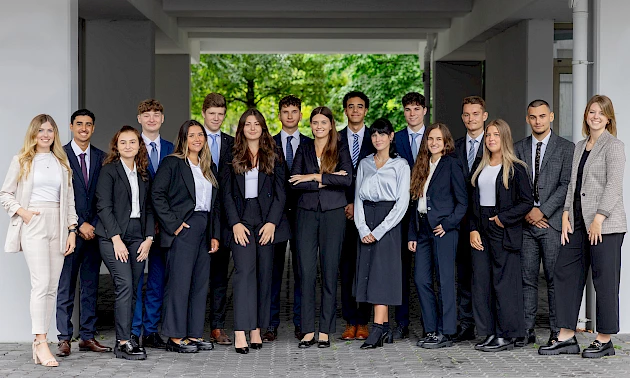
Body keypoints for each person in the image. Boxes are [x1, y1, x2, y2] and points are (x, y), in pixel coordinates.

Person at [539, 95, 626, 358]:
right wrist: (566, 212)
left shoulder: (614, 146)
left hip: (606, 225)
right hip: (577, 223)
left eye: (600, 112)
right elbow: (573, 184)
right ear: (586, 116)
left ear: (608, 117)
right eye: (591, 112)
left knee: (605, 281)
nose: (595, 116)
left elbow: (613, 185)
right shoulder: (579, 146)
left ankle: (605, 339)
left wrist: (599, 217)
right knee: (564, 273)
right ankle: (566, 336)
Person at [0, 114, 78, 368]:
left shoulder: (61, 161)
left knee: (52, 287)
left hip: (58, 223)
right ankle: (41, 341)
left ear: (55, 134)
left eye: (50, 130)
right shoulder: (22, 160)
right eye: (41, 130)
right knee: (41, 284)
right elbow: (5, 193)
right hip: (34, 221)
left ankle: (41, 341)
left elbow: (69, 199)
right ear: (33, 133)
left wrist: (72, 230)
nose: (45, 135)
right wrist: (22, 212)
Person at [222, 109, 290, 354]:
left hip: (266, 220)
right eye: (247, 124)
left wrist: (272, 222)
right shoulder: (231, 155)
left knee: (264, 275)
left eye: (256, 123)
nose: (252, 127)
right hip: (241, 219)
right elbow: (226, 193)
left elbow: (282, 192)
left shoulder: (274, 154)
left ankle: (256, 330)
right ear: (241, 128)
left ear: (263, 127)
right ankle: (241, 330)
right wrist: (235, 223)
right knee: (244, 273)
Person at [152, 120, 220, 353]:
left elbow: (215, 204)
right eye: (192, 135)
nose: (197, 139)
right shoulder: (172, 163)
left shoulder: (208, 166)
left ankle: (193, 334)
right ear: (183, 139)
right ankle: (174, 336)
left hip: (204, 227)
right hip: (183, 228)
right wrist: (173, 224)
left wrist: (214, 234)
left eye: (200, 135)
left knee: (200, 284)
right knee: (179, 284)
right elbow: (157, 194)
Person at [290, 106, 352, 348]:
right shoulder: (304, 147)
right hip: (306, 214)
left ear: (331, 125)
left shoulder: (341, 146)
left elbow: (347, 179)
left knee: (329, 271)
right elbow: (295, 181)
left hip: (333, 214)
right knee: (305, 272)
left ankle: (325, 330)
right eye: (315, 122)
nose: (318, 126)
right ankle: (307, 330)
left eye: (323, 122)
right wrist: (329, 178)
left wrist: (314, 177)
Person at [513, 100, 574, 347]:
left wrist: (543, 211)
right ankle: (526, 329)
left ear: (551, 117)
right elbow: (514, 184)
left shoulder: (566, 148)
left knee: (553, 279)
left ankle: (556, 331)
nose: (537, 121)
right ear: (527, 119)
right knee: (526, 279)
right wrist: (530, 211)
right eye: (533, 117)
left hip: (551, 225)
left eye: (542, 116)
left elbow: (566, 184)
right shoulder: (518, 148)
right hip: (526, 225)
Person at [469, 119, 533, 352]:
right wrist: (473, 228)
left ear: (504, 137)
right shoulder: (480, 165)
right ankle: (489, 332)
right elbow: (472, 203)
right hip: (481, 228)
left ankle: (506, 335)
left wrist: (502, 219)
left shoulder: (516, 168)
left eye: (496, 134)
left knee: (504, 284)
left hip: (502, 229)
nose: (491, 139)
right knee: (483, 283)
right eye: (488, 135)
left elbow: (526, 202)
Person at [95, 125, 154, 360]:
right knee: (125, 285)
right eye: (123, 142)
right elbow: (103, 206)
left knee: (134, 287)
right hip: (113, 236)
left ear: (139, 145)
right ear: (116, 146)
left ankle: (129, 337)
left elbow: (149, 207)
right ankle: (122, 342)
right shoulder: (109, 170)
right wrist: (116, 238)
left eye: (132, 142)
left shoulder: (143, 172)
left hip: (138, 235)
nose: (128, 146)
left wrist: (149, 238)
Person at [408, 123, 467, 349]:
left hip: (444, 230)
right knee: (421, 280)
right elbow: (415, 202)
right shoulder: (421, 164)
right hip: (422, 229)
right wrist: (412, 233)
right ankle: (431, 330)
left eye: (438, 140)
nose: (433, 143)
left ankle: (447, 332)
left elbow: (462, 202)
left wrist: (449, 223)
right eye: (430, 139)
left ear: (446, 143)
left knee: (444, 281)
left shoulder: (451, 164)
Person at [56, 109, 109, 357]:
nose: (84, 128)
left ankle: (87, 336)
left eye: (88, 124)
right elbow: (60, 197)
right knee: (66, 285)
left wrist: (94, 224)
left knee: (90, 285)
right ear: (71, 127)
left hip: (94, 233)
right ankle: (64, 338)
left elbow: (104, 196)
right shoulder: (60, 156)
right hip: (70, 232)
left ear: (93, 128)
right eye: (79, 124)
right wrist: (78, 225)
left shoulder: (102, 158)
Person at [353, 118, 410, 349]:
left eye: (382, 134)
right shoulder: (365, 163)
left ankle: (376, 330)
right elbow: (357, 196)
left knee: (382, 276)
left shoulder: (401, 165)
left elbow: (402, 202)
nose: (378, 139)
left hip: (389, 223)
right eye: (374, 135)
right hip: (367, 219)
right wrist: (363, 228)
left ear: (391, 136)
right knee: (368, 274)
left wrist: (379, 231)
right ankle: (384, 329)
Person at [268, 95, 311, 342]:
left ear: (300, 115)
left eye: (295, 111)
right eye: (286, 111)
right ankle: (271, 323)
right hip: (277, 215)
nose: (290, 115)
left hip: (304, 213)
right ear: (279, 115)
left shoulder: (310, 143)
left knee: (302, 271)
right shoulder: (269, 144)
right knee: (273, 271)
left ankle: (301, 322)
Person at [132, 99, 174, 349]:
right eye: (146, 115)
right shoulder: (129, 146)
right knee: (136, 279)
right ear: (139, 119)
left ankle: (150, 330)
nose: (151, 118)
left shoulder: (171, 148)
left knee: (158, 280)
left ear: (162, 119)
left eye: (156, 114)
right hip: (137, 225)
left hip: (164, 225)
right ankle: (134, 330)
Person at [338, 91, 374, 341]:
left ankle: (364, 320)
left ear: (365, 110)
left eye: (360, 106)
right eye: (351, 106)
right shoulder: (334, 137)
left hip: (368, 213)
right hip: (340, 212)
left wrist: (358, 205)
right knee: (346, 267)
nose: (355, 110)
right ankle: (350, 320)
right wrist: (346, 203)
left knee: (367, 267)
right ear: (345, 110)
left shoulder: (376, 138)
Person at [452, 95, 488, 343]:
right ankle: (466, 324)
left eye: (475, 113)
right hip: (461, 221)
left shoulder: (494, 142)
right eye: (466, 114)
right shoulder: (453, 147)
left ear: (484, 116)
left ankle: (487, 324)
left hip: (488, 221)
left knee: (486, 275)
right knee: (463, 275)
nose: (470, 118)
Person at [392, 92, 427, 339]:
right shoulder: (396, 138)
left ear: (425, 110)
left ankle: (430, 324)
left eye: (416, 108)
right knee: (401, 270)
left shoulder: (436, 136)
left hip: (428, 211)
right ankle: (401, 323)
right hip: (403, 212)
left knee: (429, 273)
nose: (412, 113)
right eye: (408, 109)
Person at [202, 92, 235, 346]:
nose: (216, 118)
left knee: (220, 276)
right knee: (194, 274)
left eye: (220, 114)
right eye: (212, 114)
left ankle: (217, 326)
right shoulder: (192, 139)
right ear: (204, 114)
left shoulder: (233, 143)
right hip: (198, 218)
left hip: (223, 218)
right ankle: (189, 326)